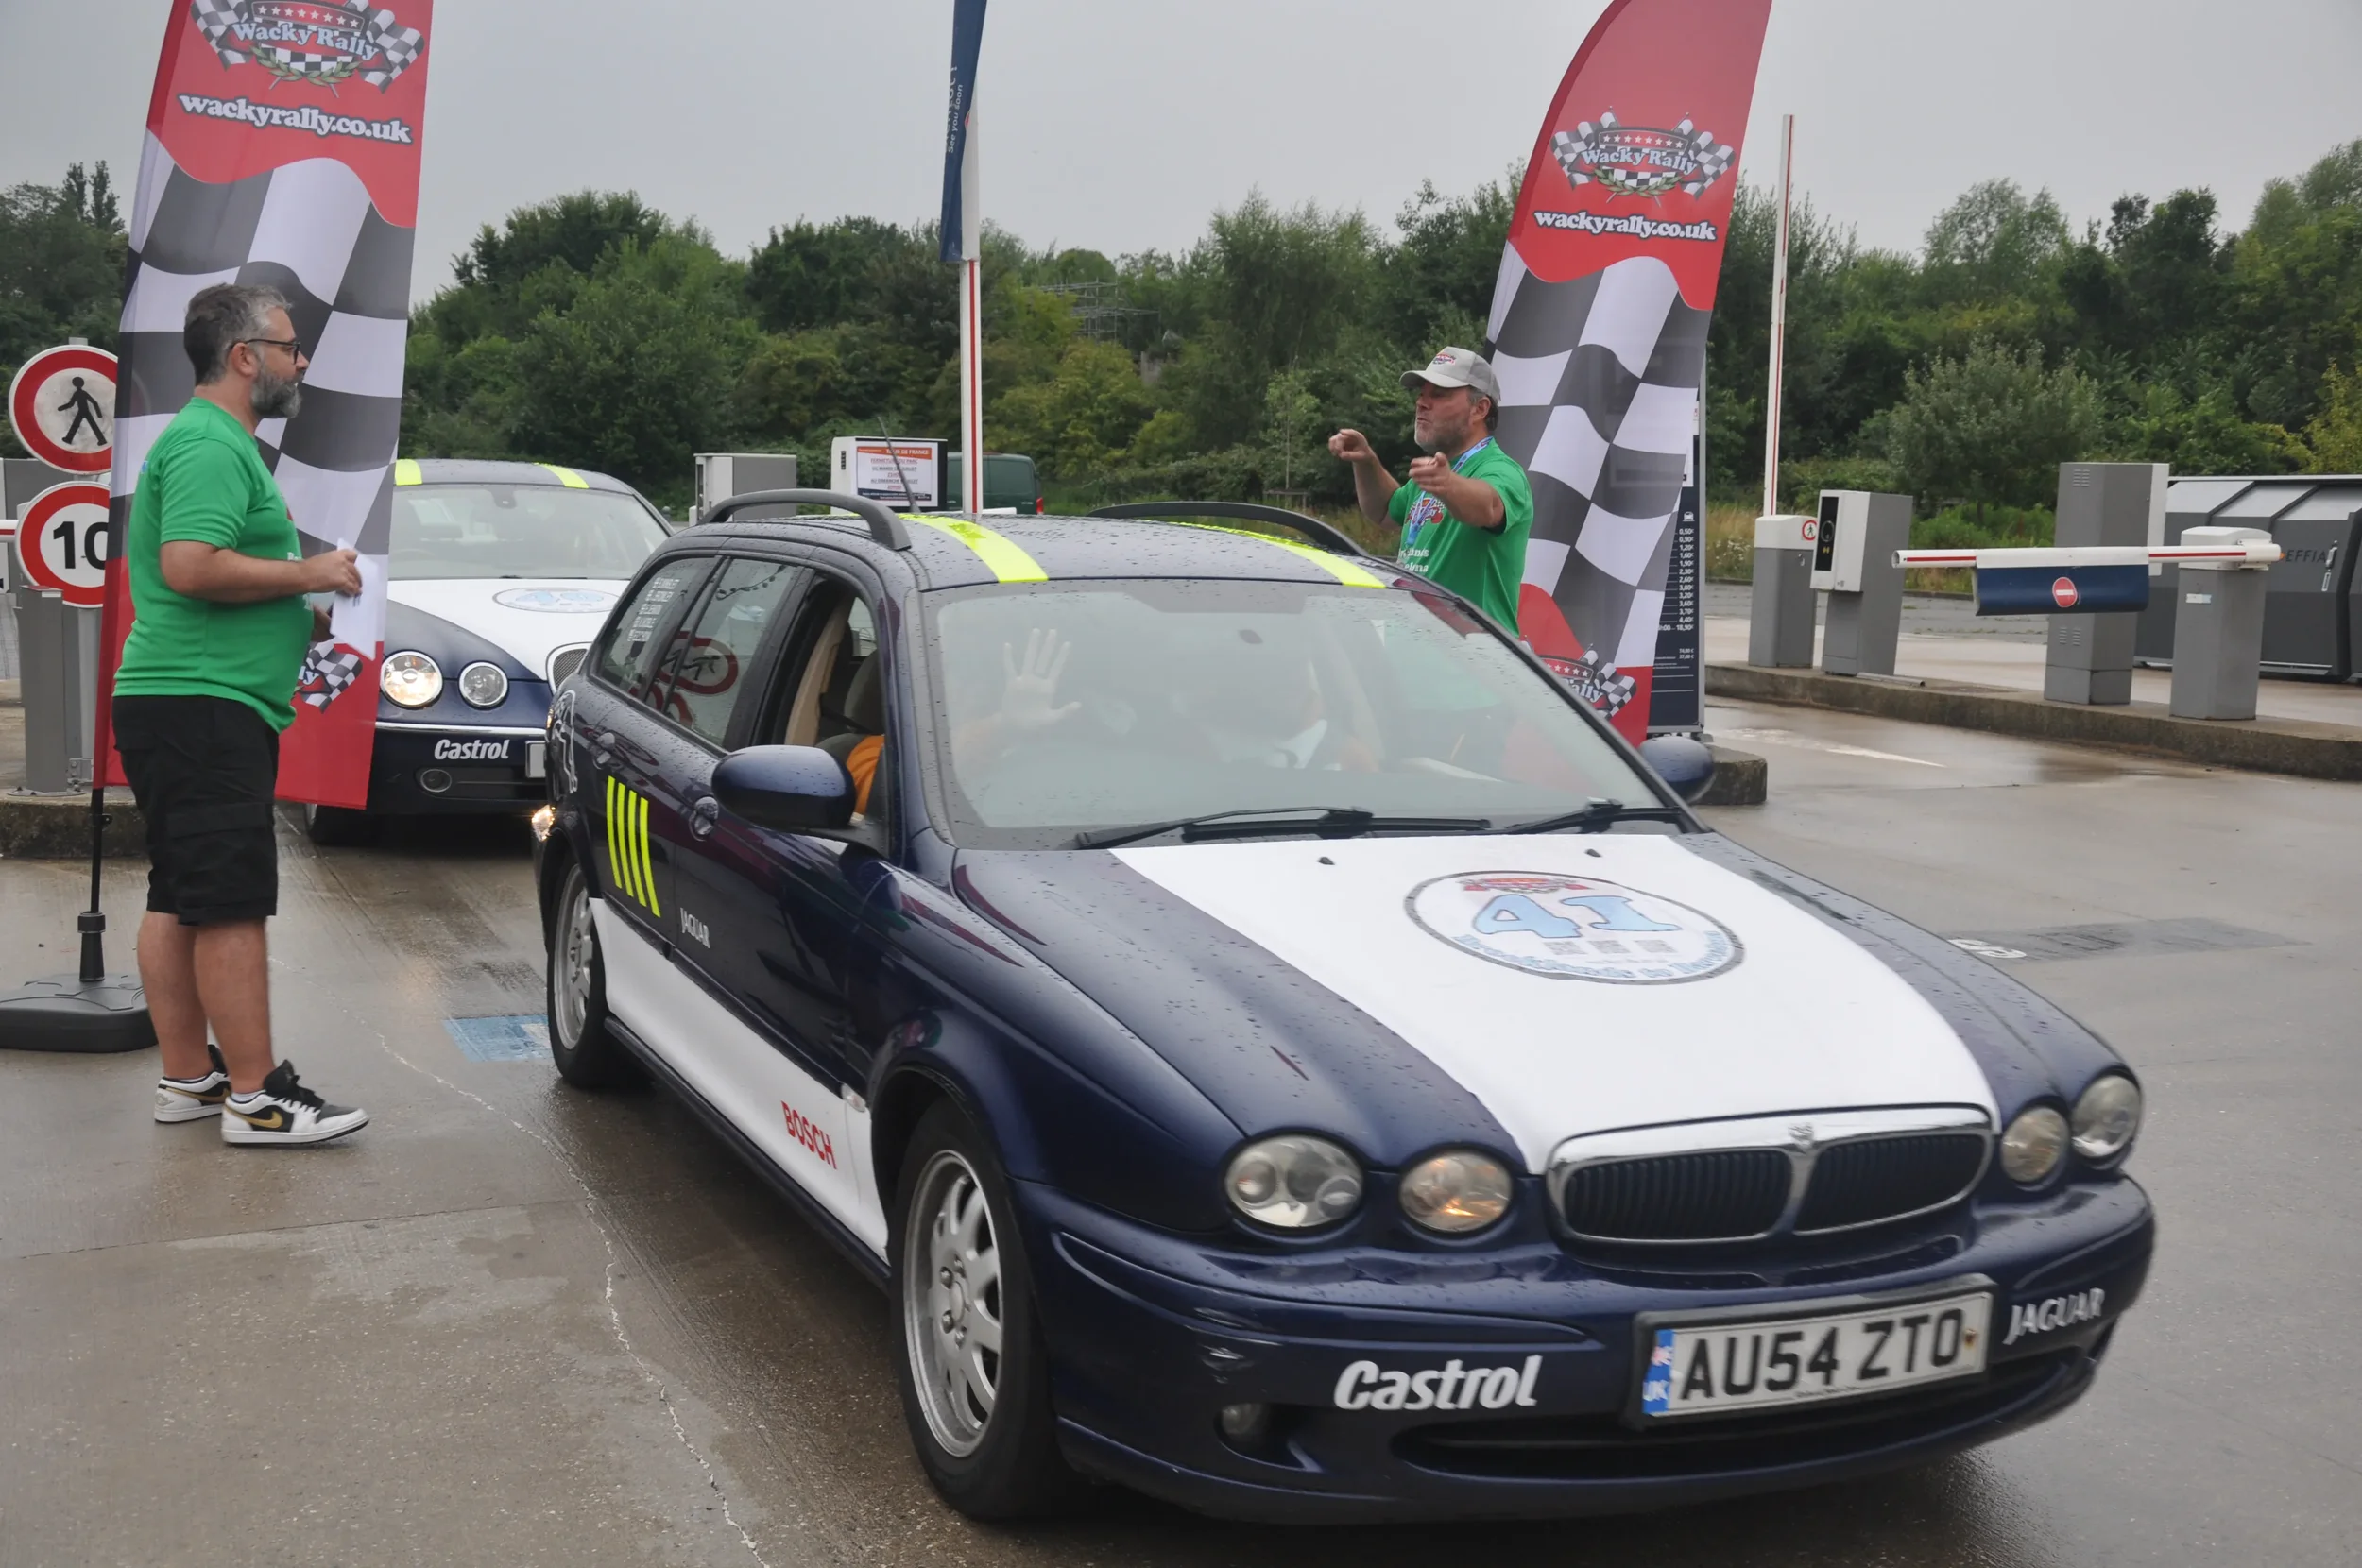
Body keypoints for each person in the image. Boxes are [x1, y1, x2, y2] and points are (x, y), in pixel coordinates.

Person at [113, 281, 370, 1146]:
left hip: (183, 700)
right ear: (243, 358)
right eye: (292, 347)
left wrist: (300, 614)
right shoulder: (213, 445)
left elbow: (202, 570)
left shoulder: (209, 443)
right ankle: (258, 1099)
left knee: (180, 892)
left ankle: (189, 1080)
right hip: (201, 705)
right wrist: (314, 574)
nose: (301, 363)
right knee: (226, 902)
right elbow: (190, 566)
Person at [1328, 347, 1533, 635]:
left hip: (1474, 670)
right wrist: (1367, 462)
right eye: (1422, 394)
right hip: (1417, 661)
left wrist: (1448, 485)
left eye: (1439, 394)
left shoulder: (1501, 471)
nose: (1422, 403)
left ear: (1480, 408)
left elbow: (1488, 507)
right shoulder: (1440, 472)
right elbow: (1386, 510)